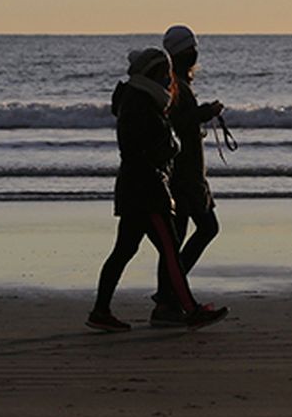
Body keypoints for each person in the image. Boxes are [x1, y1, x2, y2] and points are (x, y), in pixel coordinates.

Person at [87, 46, 228, 332]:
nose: (169, 79)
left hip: (134, 187)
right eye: (164, 74)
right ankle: (188, 309)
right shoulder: (143, 103)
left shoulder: (135, 100)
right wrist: (172, 144)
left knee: (124, 250)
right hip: (148, 190)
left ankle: (100, 311)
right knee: (169, 250)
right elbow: (158, 146)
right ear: (153, 74)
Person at [151, 24, 225, 326]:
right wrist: (204, 113)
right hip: (186, 172)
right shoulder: (177, 85)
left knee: (179, 236)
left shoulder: (174, 82)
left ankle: (167, 301)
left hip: (185, 170)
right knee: (204, 228)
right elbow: (181, 123)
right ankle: (168, 297)